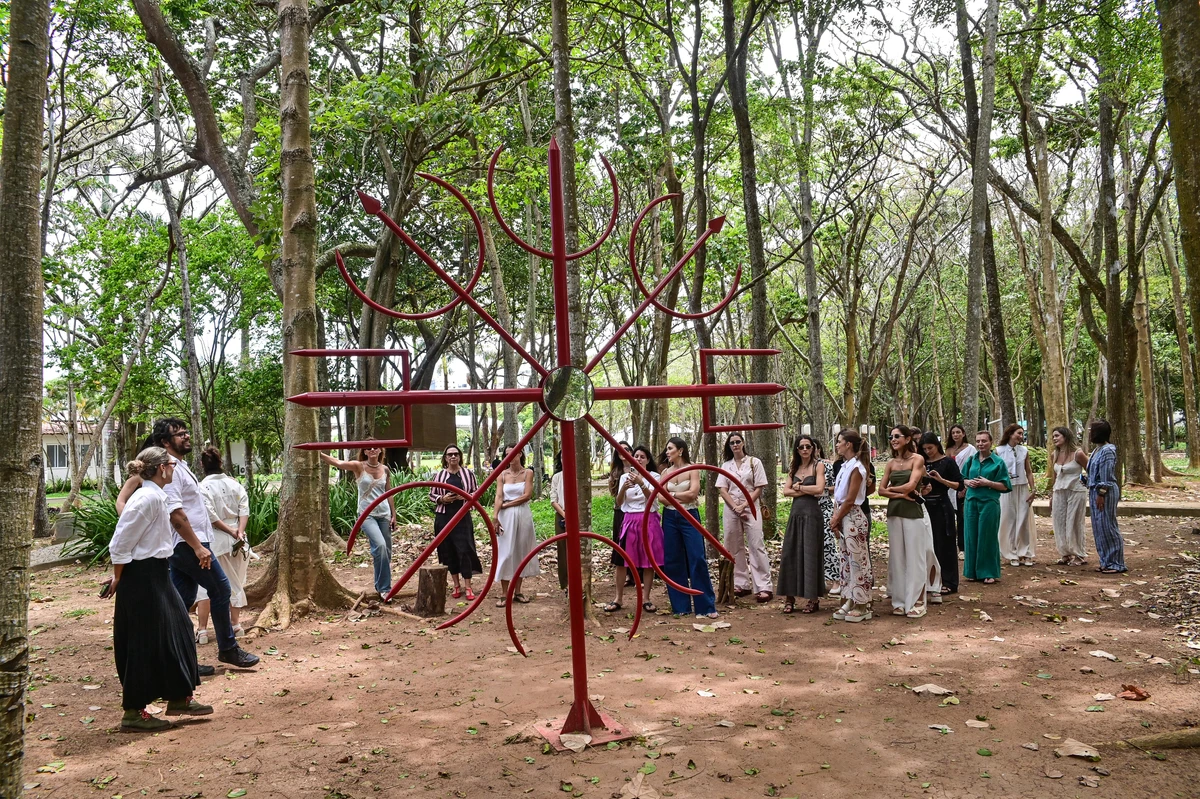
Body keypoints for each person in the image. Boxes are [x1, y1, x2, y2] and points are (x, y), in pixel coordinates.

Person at [106, 447, 209, 731]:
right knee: (143, 641)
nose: (175, 468)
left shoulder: (155, 496)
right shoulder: (148, 498)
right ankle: (133, 712)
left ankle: (179, 697)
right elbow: (120, 542)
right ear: (162, 468)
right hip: (141, 577)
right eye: (172, 464)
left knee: (179, 629)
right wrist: (118, 577)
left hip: (156, 573)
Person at [147, 419, 258, 669]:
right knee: (220, 589)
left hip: (188, 543)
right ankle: (228, 649)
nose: (186, 437)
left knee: (181, 600)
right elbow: (175, 514)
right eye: (179, 434)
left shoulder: (179, 465)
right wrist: (197, 546)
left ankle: (174, 657)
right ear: (165, 442)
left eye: (186, 432)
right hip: (186, 544)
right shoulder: (168, 468)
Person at [319, 440, 397, 601]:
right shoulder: (358, 466)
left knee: (385, 552)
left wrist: (394, 514)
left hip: (384, 514)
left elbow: (388, 492)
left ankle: (380, 584)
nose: (373, 449)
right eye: (369, 448)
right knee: (380, 546)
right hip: (366, 515)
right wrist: (318, 453)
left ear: (381, 450)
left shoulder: (385, 469)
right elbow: (338, 462)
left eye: (376, 447)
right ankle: (385, 589)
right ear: (365, 452)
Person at [880, 425, 937, 618]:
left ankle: (918, 600)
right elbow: (880, 490)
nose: (893, 439)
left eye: (897, 436)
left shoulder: (918, 459)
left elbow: (911, 485)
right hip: (894, 512)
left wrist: (893, 491)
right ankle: (899, 600)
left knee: (915, 556)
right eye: (891, 436)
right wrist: (901, 494)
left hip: (913, 512)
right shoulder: (890, 463)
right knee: (897, 557)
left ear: (907, 439)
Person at [657, 437, 718, 618]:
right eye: (667, 449)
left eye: (670, 448)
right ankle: (680, 606)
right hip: (669, 517)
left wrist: (672, 494)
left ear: (680, 450)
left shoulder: (693, 469)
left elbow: (693, 494)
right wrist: (674, 496)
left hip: (689, 515)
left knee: (697, 557)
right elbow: (660, 498)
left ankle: (706, 607)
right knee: (673, 559)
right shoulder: (665, 472)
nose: (667, 452)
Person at [194, 448, 251, 641]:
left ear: (203, 465)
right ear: (221, 462)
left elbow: (210, 516)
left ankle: (202, 630)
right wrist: (239, 532)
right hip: (238, 540)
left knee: (206, 585)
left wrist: (231, 531)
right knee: (236, 581)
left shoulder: (202, 488)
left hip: (214, 540)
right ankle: (236, 625)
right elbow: (244, 509)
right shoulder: (235, 485)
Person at [606, 444, 664, 614]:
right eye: (636, 456)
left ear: (647, 460)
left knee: (648, 561)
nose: (638, 459)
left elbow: (654, 501)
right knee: (622, 560)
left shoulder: (655, 476)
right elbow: (619, 503)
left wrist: (642, 484)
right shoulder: (625, 477)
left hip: (648, 519)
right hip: (629, 520)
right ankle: (618, 598)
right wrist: (624, 487)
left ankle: (646, 599)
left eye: (642, 457)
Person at [715, 433, 772, 603]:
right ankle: (741, 583)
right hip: (731, 508)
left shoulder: (754, 462)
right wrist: (734, 506)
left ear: (743, 443)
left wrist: (744, 506)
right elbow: (722, 489)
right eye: (732, 443)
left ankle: (763, 586)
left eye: (738, 442)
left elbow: (759, 488)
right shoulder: (726, 465)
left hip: (750, 507)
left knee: (756, 544)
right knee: (733, 545)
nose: (735, 445)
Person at [778, 435, 826, 613]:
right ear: (796, 450)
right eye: (801, 447)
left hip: (812, 515)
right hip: (795, 515)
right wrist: (805, 491)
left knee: (810, 554)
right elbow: (785, 491)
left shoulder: (818, 466)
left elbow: (819, 489)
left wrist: (799, 488)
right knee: (790, 553)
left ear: (813, 448)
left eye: (808, 446)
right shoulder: (794, 468)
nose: (805, 450)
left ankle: (813, 599)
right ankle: (789, 598)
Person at [828, 429, 873, 622]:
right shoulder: (845, 465)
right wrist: (836, 517)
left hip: (852, 515)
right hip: (842, 513)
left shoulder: (858, 468)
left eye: (840, 442)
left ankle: (863, 603)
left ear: (848, 444)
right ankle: (849, 598)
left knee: (858, 561)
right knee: (845, 560)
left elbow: (851, 499)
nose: (837, 445)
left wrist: (836, 518)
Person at [429, 443, 482, 599]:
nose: (453, 457)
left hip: (462, 516)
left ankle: (468, 587)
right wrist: (442, 498)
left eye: (456, 454)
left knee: (465, 549)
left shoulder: (468, 474)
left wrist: (466, 496)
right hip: (444, 516)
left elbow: (476, 491)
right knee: (447, 550)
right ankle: (456, 586)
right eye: (449, 454)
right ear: (445, 458)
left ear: (460, 457)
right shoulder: (439, 475)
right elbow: (431, 494)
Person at [961, 431, 1011, 584]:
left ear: (991, 442)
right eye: (978, 441)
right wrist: (967, 482)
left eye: (984, 441)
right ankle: (971, 571)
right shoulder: (971, 460)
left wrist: (988, 483)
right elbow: (962, 477)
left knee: (987, 536)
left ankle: (988, 572)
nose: (980, 444)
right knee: (970, 536)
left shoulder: (998, 462)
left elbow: (1005, 486)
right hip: (971, 502)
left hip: (989, 502)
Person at [493, 444, 539, 605]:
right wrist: (495, 516)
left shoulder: (528, 473)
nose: (509, 457)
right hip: (506, 516)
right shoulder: (502, 474)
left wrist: (507, 504)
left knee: (521, 551)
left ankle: (518, 591)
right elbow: (499, 496)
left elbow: (527, 495)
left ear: (520, 454)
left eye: (512, 453)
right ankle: (505, 593)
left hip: (522, 514)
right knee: (506, 552)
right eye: (506, 454)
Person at [920, 432, 962, 595]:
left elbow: (959, 485)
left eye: (930, 448)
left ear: (937, 445)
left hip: (942, 505)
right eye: (924, 449)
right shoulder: (921, 462)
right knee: (928, 544)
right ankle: (930, 580)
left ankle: (949, 581)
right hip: (925, 505)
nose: (928, 451)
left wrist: (940, 480)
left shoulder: (947, 462)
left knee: (945, 543)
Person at [1087, 420, 1127, 574]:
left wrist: (1101, 494)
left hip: (1104, 493)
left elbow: (1107, 476)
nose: (1090, 433)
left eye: (1092, 430)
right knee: (1099, 528)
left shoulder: (1108, 451)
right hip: (1094, 491)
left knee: (1107, 526)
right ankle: (1105, 561)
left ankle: (1116, 563)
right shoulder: (1097, 450)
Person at [996, 424, 1037, 566]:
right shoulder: (998, 451)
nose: (1021, 436)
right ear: (1010, 433)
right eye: (1019, 433)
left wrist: (1033, 489)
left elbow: (1029, 471)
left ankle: (1025, 552)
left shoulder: (1024, 451)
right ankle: (1010, 553)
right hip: (1006, 488)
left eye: (1022, 434)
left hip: (1022, 487)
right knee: (1008, 519)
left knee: (1023, 519)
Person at [1049, 426, 1089, 566]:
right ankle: (1065, 553)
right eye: (1053, 436)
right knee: (1059, 522)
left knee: (1074, 522)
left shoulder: (1078, 453)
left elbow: (1090, 469)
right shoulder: (1054, 454)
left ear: (1065, 437)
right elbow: (1055, 476)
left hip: (1076, 491)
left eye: (1057, 436)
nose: (1054, 438)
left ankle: (1079, 554)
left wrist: (1087, 483)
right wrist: (1052, 494)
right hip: (1059, 491)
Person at [814, 440, 840, 597]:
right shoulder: (802, 467)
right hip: (807, 508)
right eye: (802, 447)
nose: (807, 450)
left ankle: (837, 579)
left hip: (825, 507)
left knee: (829, 544)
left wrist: (822, 489)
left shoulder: (828, 465)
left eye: (811, 447)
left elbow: (837, 486)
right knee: (811, 545)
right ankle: (818, 580)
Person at [945, 424, 976, 554]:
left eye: (958, 432)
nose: (956, 435)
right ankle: (951, 546)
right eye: (953, 433)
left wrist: (965, 487)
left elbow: (973, 468)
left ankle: (963, 547)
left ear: (963, 434)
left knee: (963, 518)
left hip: (964, 485)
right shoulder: (948, 450)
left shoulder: (970, 449)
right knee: (949, 517)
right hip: (949, 486)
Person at [607, 442, 634, 587]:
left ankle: (636, 575)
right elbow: (613, 492)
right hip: (620, 510)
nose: (623, 452)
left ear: (631, 451)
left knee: (635, 542)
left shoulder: (638, 467)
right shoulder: (616, 472)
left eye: (626, 449)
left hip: (635, 510)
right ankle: (626, 574)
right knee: (621, 542)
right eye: (619, 451)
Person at [549, 451, 569, 591]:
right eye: (562, 457)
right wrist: (565, 515)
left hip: (579, 516)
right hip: (561, 515)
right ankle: (566, 584)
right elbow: (553, 500)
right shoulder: (557, 477)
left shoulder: (580, 475)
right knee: (563, 550)